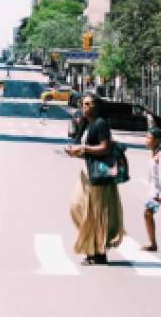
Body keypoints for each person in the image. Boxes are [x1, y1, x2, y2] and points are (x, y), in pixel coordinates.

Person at [65, 92, 125, 265]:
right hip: (88, 173)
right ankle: (93, 247)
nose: (85, 107)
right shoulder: (87, 124)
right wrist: (75, 152)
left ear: (98, 107)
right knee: (78, 207)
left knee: (96, 214)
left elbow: (104, 148)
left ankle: (99, 253)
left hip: (98, 176)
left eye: (89, 104)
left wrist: (84, 148)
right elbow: (89, 151)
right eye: (84, 103)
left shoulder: (100, 123)